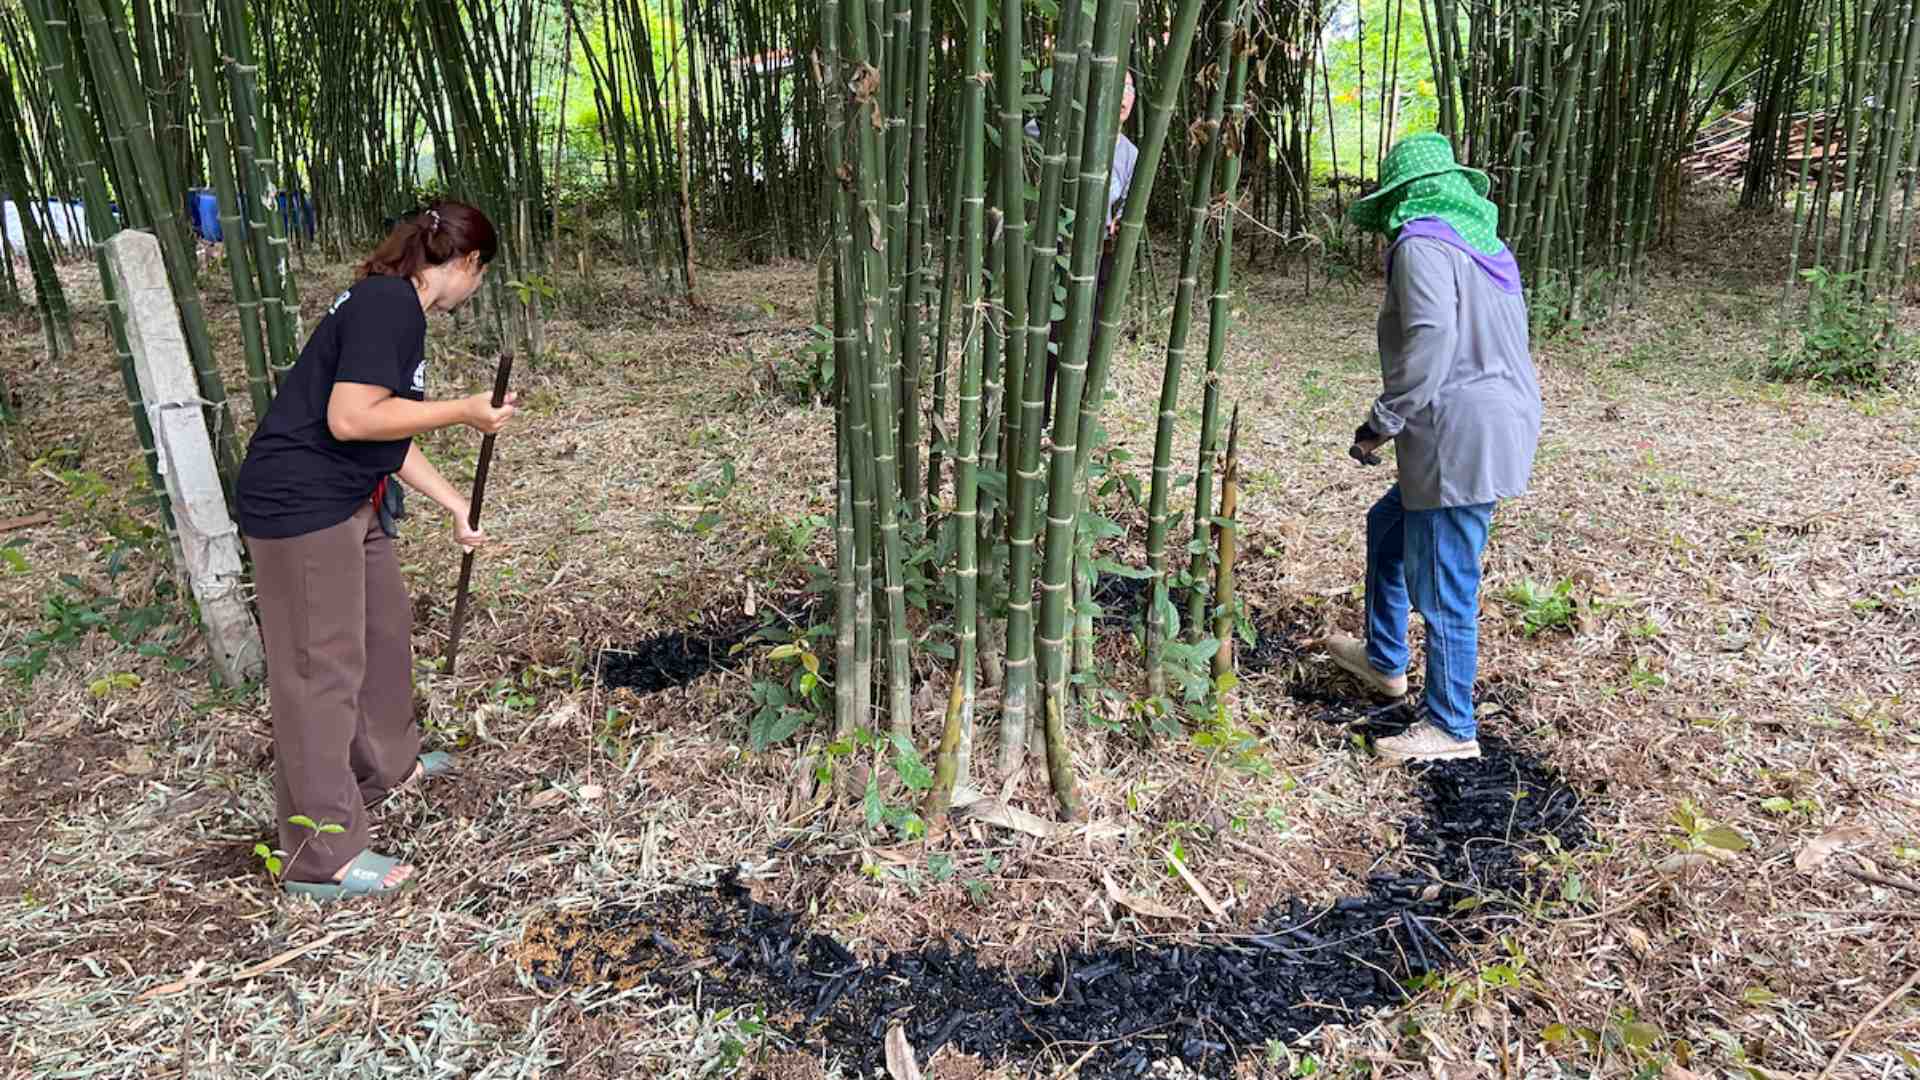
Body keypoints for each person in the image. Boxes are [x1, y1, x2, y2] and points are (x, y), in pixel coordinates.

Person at [236, 200, 516, 899]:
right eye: (480, 276)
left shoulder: (391, 305)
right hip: (302, 507)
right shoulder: (388, 305)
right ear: (466, 263)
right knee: (318, 670)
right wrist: (465, 409)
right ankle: (318, 852)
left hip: (348, 497)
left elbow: (380, 428)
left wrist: (452, 501)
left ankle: (385, 764)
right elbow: (351, 415)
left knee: (383, 630)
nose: (474, 290)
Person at [1322, 133, 1542, 765]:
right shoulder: (1483, 244)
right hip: (1496, 420)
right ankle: (1385, 659)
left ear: (1403, 196)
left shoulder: (1421, 243)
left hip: (1458, 433)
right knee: (1387, 524)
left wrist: (1379, 423)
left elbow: (1429, 345)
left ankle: (1451, 725)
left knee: (1446, 579)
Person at [1040, 71, 1137, 425]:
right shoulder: (1073, 135)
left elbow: (1127, 208)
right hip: (1061, 248)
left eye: (1129, 89)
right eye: (1117, 87)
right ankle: (1039, 419)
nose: (1124, 96)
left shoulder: (1130, 154)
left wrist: (1117, 223)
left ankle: (1077, 423)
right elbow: (1031, 135)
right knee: (1050, 332)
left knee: (1091, 336)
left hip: (1100, 255)